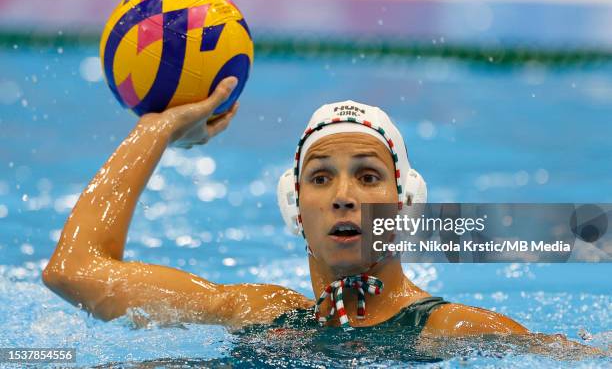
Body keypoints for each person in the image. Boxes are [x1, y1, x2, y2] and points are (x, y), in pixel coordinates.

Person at [39, 77, 578, 342]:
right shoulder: (251, 313)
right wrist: (155, 127)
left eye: (368, 176)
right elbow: (72, 271)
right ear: (296, 210)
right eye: (320, 178)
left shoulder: (454, 330)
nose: (343, 194)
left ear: (406, 204)